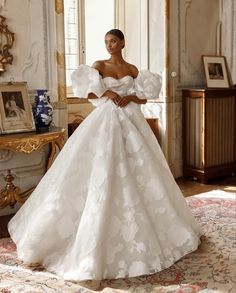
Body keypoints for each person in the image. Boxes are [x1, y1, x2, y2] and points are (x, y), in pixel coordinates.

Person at [8, 29, 202, 281]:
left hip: (131, 122)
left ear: (122, 42)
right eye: (106, 42)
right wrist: (106, 93)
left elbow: (143, 99)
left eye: (113, 41)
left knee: (141, 171)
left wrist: (130, 96)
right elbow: (85, 92)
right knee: (99, 168)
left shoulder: (133, 69)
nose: (109, 45)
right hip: (104, 121)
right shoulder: (98, 66)